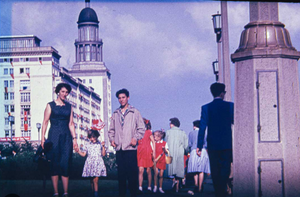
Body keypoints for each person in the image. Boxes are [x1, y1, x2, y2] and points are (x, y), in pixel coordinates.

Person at [41, 83, 78, 197]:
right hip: (54, 137)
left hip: (66, 137)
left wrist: (75, 139)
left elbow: (71, 123)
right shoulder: (50, 105)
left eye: (66, 92)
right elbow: (45, 122)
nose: (65, 94)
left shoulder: (69, 106)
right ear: (58, 92)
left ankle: (66, 192)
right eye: (63, 91)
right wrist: (42, 138)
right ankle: (56, 192)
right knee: (54, 163)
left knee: (65, 162)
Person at [197, 82, 234, 197]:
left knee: (215, 169)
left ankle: (218, 191)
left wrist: (199, 145)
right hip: (226, 143)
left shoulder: (206, 108)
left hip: (212, 144)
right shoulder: (230, 106)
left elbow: (202, 128)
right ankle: (223, 189)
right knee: (225, 168)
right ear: (222, 93)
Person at [108, 88, 145, 197]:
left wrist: (135, 138)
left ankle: (134, 193)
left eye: (123, 97)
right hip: (120, 148)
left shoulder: (135, 112)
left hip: (130, 148)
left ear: (128, 98)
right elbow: (111, 130)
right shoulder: (115, 113)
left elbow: (141, 128)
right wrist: (112, 139)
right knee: (121, 175)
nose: (121, 100)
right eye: (119, 98)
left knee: (132, 175)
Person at [76, 129, 107, 197]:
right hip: (90, 163)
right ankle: (93, 192)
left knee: (95, 180)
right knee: (92, 180)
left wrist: (103, 146)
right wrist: (78, 151)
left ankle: (96, 194)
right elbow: (84, 154)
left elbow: (103, 154)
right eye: (90, 137)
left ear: (96, 136)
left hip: (97, 163)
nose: (92, 139)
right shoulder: (87, 144)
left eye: (93, 137)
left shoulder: (100, 144)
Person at [165, 117, 188, 193]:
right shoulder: (183, 133)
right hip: (180, 152)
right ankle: (177, 186)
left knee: (172, 169)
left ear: (172, 124)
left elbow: (165, 143)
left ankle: (174, 182)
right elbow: (186, 145)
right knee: (178, 170)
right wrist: (186, 151)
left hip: (171, 153)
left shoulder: (168, 132)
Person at [188, 120, 210, 193]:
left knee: (195, 170)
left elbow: (190, 144)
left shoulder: (191, 133)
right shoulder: (204, 133)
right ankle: (200, 187)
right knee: (201, 170)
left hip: (194, 151)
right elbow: (206, 143)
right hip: (203, 151)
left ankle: (196, 184)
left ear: (194, 126)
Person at [137, 118, 155, 193]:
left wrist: (154, 152)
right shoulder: (137, 132)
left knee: (148, 170)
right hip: (140, 151)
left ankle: (149, 186)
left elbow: (153, 142)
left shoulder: (148, 132)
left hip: (147, 151)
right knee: (140, 170)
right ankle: (140, 187)